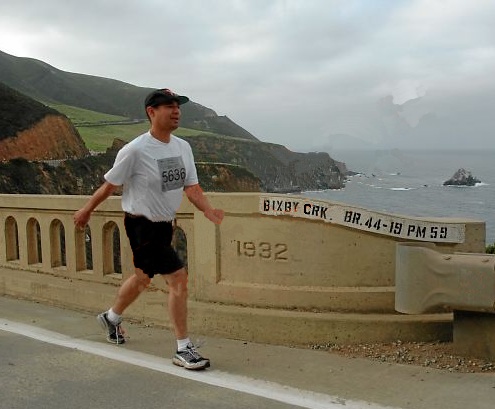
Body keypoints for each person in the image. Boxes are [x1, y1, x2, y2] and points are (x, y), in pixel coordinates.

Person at [73, 88, 224, 370]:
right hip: (141, 225)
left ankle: (111, 317)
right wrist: (86, 209)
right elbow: (110, 185)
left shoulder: (183, 147)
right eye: (168, 106)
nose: (176, 110)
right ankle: (183, 348)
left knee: (142, 279)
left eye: (178, 106)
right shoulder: (135, 150)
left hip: (165, 224)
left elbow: (191, 187)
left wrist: (207, 208)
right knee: (178, 279)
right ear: (151, 112)